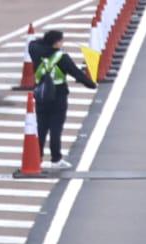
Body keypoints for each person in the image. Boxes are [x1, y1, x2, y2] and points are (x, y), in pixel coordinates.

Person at [28, 29, 95, 168]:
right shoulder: (62, 57)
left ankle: (37, 157)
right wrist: (91, 84)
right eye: (61, 40)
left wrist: (46, 42)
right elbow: (76, 73)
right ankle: (56, 159)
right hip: (58, 96)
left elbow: (33, 43)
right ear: (56, 43)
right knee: (55, 128)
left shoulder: (35, 52)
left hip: (41, 94)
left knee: (41, 127)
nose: (62, 43)